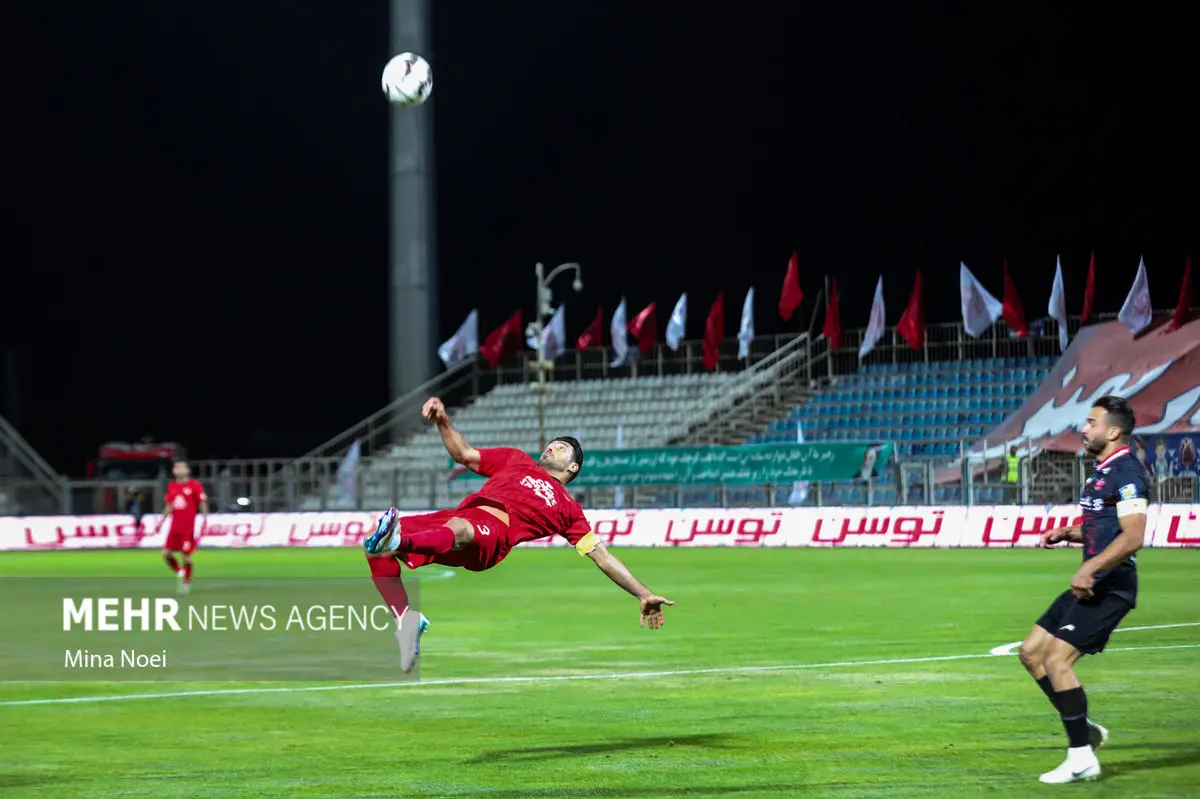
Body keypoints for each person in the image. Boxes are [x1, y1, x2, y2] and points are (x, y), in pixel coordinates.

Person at [363, 396, 674, 673]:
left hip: (492, 535)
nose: (551, 446)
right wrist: (443, 420)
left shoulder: (568, 509)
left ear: (573, 467)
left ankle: (399, 540)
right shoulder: (517, 459)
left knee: (447, 531)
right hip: (458, 518)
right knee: (374, 545)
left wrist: (642, 593)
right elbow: (465, 455)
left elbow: (602, 557)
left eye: (561, 447)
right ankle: (405, 620)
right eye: (552, 443)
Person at [1017, 395, 1149, 784]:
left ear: (1113, 431)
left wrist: (1089, 566)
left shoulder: (1128, 472)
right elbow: (1103, 525)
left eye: (1091, 423)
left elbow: (1134, 535)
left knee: (1057, 659)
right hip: (1093, 581)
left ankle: (1081, 758)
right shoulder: (1100, 472)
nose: (1084, 428)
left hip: (1111, 585)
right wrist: (1068, 532)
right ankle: (1085, 731)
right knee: (1031, 653)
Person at [162, 460, 208, 594]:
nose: (178, 470)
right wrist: (162, 519)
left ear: (187, 471)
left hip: (188, 528)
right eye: (176, 468)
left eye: (181, 467)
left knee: (186, 557)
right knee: (166, 554)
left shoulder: (195, 485)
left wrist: (205, 518)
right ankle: (180, 571)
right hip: (174, 527)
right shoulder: (172, 486)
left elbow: (202, 502)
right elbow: (169, 505)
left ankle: (186, 583)